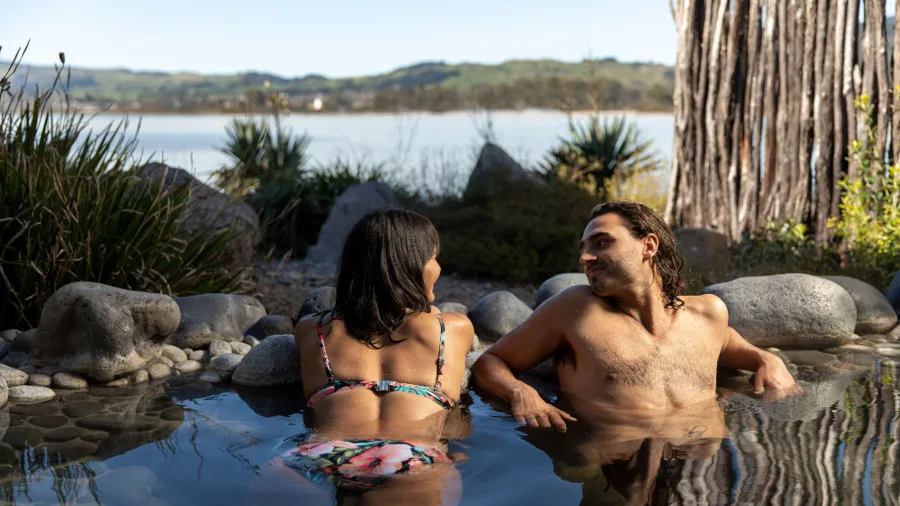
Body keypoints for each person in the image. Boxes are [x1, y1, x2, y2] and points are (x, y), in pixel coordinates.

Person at [472, 200, 799, 433]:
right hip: (616, 465)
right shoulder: (575, 310)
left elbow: (726, 340)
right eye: (585, 247)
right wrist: (522, 393)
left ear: (649, 245)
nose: (585, 257)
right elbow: (491, 362)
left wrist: (765, 359)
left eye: (601, 243)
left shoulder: (707, 313)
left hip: (703, 471)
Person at [260, 207, 474, 505]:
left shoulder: (313, 330)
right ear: (411, 265)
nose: (438, 267)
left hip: (318, 455)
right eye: (433, 257)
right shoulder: (450, 329)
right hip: (413, 458)